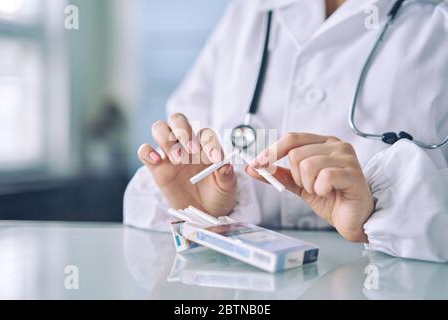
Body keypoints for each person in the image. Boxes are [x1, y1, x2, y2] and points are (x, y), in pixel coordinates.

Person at [124, 0, 448, 262]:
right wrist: (206, 211)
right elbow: (176, 177)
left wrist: (378, 213)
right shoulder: (251, 11)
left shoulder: (436, 21)